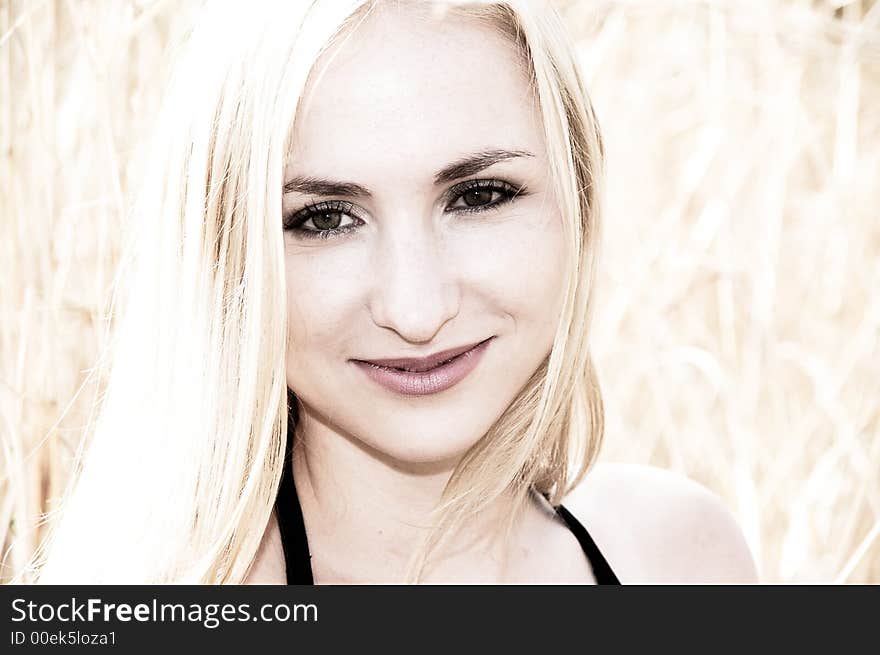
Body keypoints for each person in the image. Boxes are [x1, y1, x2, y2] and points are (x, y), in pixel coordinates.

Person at [35, 0, 757, 584]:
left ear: (579, 198)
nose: (415, 311)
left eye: (478, 196)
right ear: (230, 256)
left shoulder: (683, 558)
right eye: (325, 218)